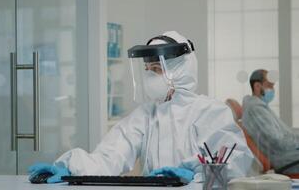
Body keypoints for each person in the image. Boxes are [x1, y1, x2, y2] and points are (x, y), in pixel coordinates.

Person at [28, 31, 256, 183]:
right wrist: (71, 167)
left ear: (179, 70)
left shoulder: (211, 112)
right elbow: (110, 156)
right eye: (147, 69)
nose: (149, 76)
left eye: (156, 69)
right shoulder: (146, 115)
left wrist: (194, 176)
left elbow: (234, 165)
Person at [242, 69, 299, 174]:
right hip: (285, 159)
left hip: (289, 155)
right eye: (269, 86)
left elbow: (284, 134)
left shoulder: (260, 107)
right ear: (257, 86)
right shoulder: (255, 109)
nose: (272, 90)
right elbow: (277, 140)